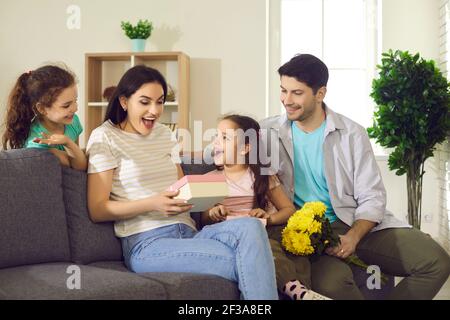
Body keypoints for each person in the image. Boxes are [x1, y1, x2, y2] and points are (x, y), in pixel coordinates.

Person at [260, 53, 450, 299]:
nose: (287, 100)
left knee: (436, 262)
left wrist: (354, 236)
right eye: (283, 91)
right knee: (334, 286)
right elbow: (221, 150)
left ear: (320, 94)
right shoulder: (267, 131)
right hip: (308, 234)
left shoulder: (352, 134)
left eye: (297, 93)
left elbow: (372, 195)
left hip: (356, 221)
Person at [86, 65, 278, 300]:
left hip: (190, 233)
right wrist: (153, 203)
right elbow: (97, 209)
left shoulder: (165, 135)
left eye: (160, 102)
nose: (154, 111)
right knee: (252, 259)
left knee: (251, 226)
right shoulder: (104, 136)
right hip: (148, 243)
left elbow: (182, 188)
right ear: (124, 102)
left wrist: (201, 201)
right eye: (145, 102)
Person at [201, 114, 330, 300]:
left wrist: (268, 218)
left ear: (246, 148)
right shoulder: (209, 179)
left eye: (225, 138)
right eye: (216, 136)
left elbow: (288, 209)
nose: (216, 142)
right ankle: (297, 291)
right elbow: (203, 218)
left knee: (293, 251)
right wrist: (212, 213)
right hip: (228, 236)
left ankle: (302, 290)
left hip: (261, 229)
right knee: (265, 247)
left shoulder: (261, 176)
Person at [2, 65, 87, 170]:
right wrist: (68, 143)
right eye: (66, 106)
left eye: (76, 101)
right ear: (42, 108)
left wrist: (71, 146)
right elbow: (79, 166)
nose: (75, 108)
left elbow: (78, 160)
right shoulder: (37, 142)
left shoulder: (73, 121)